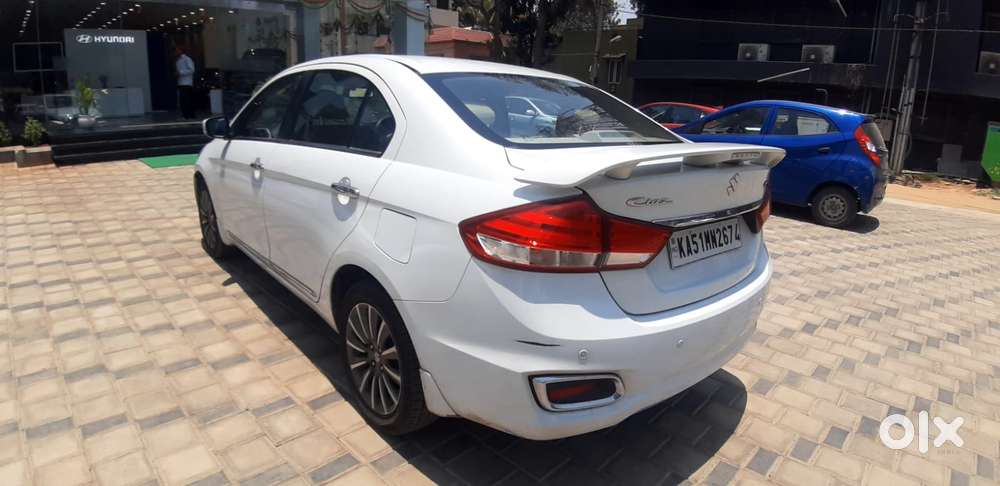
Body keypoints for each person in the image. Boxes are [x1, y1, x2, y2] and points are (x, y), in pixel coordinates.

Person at [175, 47, 196, 119]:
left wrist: (180, 72)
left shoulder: (187, 59)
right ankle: (185, 115)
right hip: (181, 82)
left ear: (181, 51)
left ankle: (188, 115)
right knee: (182, 100)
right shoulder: (178, 60)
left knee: (186, 100)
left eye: (177, 50)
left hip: (187, 83)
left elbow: (192, 70)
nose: (175, 52)